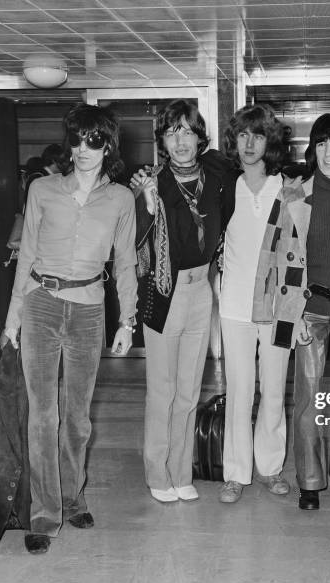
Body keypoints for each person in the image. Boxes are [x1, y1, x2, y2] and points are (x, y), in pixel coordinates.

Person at [3, 103, 137, 554]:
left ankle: (72, 495)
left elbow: (126, 262)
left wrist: (127, 320)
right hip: (42, 303)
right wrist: (12, 320)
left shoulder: (120, 198)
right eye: (77, 140)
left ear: (108, 146)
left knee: (77, 417)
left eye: (93, 140)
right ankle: (43, 511)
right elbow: (26, 255)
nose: (83, 149)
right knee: (43, 414)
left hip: (88, 312)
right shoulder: (42, 189)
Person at [253, 112, 330, 511]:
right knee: (308, 399)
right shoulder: (294, 194)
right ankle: (309, 480)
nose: (328, 152)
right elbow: (272, 254)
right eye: (321, 143)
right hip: (309, 311)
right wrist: (287, 314)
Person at [130, 99, 233, 504]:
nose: (180, 140)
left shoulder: (216, 174)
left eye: (187, 131)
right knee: (163, 389)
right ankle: (158, 472)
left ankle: (180, 469)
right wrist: (146, 203)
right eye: (172, 132)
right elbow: (133, 242)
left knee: (190, 389)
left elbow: (226, 214)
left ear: (200, 136)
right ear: (162, 141)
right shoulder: (151, 181)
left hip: (199, 289)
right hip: (163, 290)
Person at [217, 104, 291, 503]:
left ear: (270, 141)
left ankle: (271, 467)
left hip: (278, 306)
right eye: (243, 135)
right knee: (240, 389)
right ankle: (235, 473)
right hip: (234, 306)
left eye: (258, 135)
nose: (249, 143)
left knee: (275, 389)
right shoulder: (225, 187)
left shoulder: (289, 187)